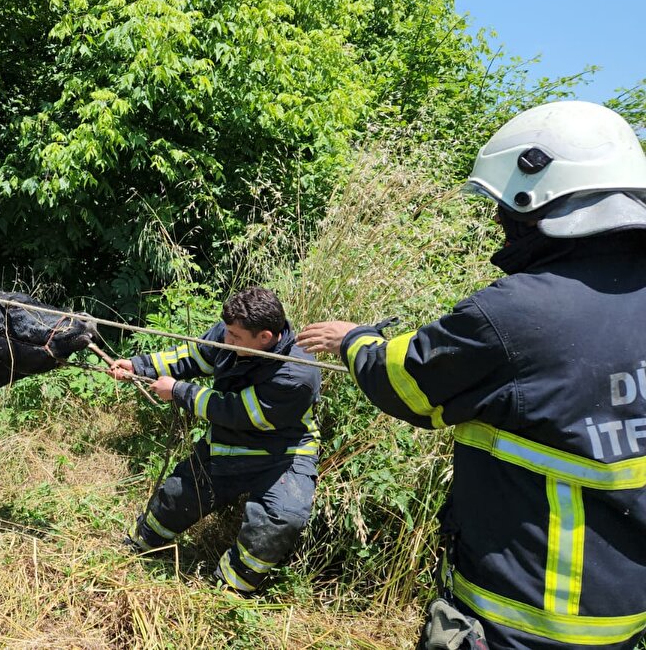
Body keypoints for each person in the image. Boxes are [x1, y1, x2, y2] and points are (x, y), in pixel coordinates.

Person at [296, 101, 646, 649]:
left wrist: (354, 340)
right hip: (626, 617)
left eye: (504, 208)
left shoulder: (519, 314)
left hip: (523, 622)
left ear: (536, 201)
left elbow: (409, 382)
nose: (498, 222)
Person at [112, 286, 321, 595]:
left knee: (280, 518)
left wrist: (179, 392)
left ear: (265, 337)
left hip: (282, 455)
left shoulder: (298, 374)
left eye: (235, 337)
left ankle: (231, 588)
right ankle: (139, 544)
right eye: (227, 332)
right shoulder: (232, 332)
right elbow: (192, 355)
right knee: (177, 497)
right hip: (228, 443)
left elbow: (237, 412)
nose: (226, 340)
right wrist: (140, 366)